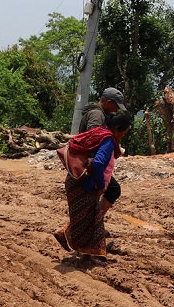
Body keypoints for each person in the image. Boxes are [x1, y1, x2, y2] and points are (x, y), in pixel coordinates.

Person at [53, 112, 132, 261]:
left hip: (74, 180)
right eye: (124, 132)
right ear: (117, 129)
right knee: (91, 220)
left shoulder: (98, 132)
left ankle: (75, 242)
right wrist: (101, 185)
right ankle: (87, 254)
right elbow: (98, 163)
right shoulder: (108, 140)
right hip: (85, 185)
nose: (123, 136)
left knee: (85, 218)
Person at [80, 87, 126, 218]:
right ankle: (92, 223)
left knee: (112, 190)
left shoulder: (98, 113)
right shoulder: (97, 115)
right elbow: (94, 139)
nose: (116, 110)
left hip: (90, 162)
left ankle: (92, 223)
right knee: (112, 189)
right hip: (90, 163)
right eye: (116, 106)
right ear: (109, 102)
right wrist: (99, 180)